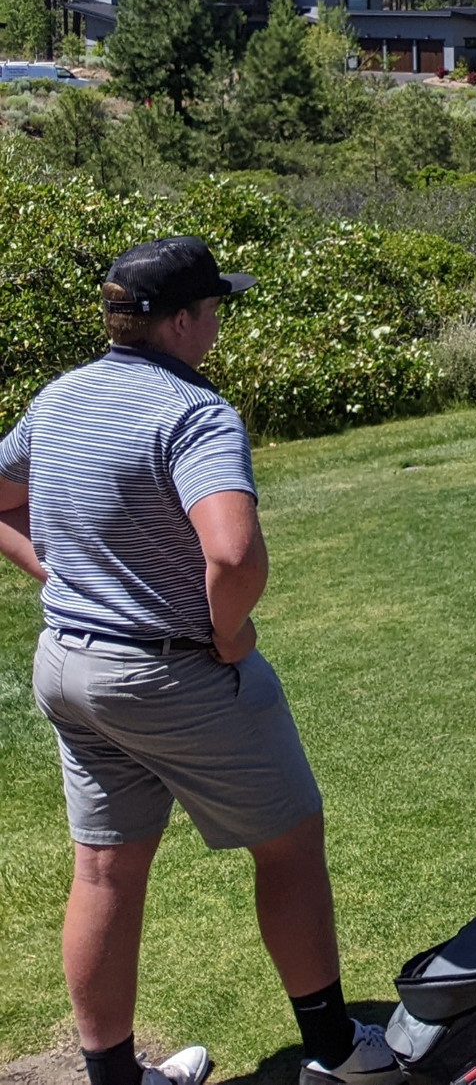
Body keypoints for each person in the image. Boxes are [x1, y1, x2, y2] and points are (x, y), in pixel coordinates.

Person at [0, 238, 402, 1085]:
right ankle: (337, 1050)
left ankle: (113, 1077)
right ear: (180, 320)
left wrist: (54, 570)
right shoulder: (193, 410)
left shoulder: (61, 396)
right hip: (169, 671)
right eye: (214, 307)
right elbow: (233, 553)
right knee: (290, 842)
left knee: (106, 866)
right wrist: (231, 636)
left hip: (69, 669)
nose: (219, 320)